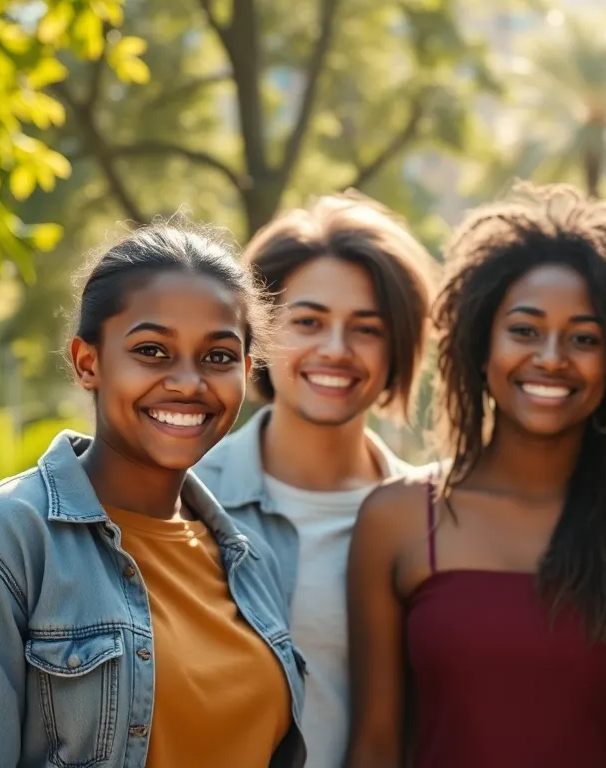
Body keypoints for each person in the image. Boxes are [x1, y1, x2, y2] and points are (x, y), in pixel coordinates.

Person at [0, 224, 306, 767]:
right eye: (152, 350)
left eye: (218, 356)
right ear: (88, 362)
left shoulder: (253, 561)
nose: (189, 382)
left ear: (247, 371)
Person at [344, 183, 606, 768]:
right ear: (481, 347)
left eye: (584, 338)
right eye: (524, 330)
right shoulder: (396, 518)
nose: (551, 357)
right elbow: (375, 747)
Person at [196, 192, 434, 767]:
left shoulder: (436, 520)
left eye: (366, 329)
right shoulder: (184, 499)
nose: (335, 349)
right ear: (255, 333)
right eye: (308, 322)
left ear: (398, 348)